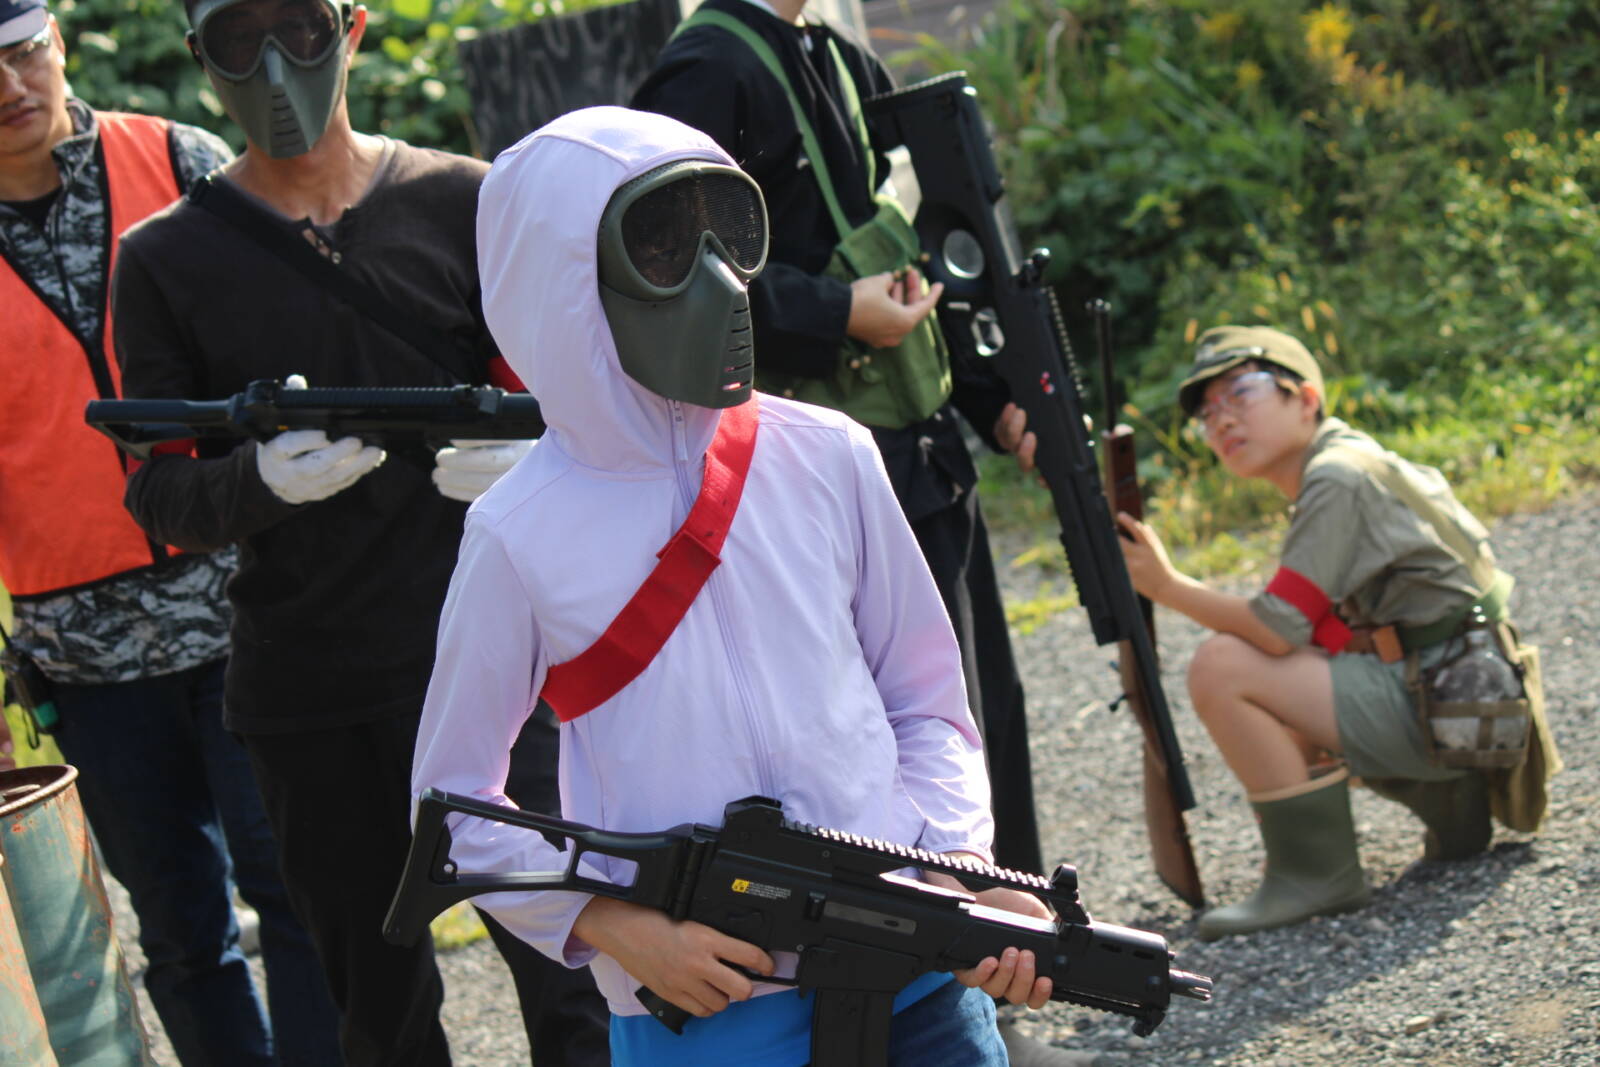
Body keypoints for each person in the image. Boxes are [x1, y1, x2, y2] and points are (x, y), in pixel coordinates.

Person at [412, 104, 1057, 1067]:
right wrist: (611, 923)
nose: (719, 283)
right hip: (705, 1012)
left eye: (728, 238)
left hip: (916, 981)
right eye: (662, 249)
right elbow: (455, 806)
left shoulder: (830, 453)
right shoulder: (516, 533)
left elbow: (926, 700)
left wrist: (957, 866)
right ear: (562, 282)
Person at [107, 0, 609, 1062]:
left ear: (354, 29)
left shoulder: (467, 200)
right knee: (380, 1015)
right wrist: (256, 483)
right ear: (201, 60)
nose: (274, 66)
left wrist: (538, 465)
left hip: (500, 669)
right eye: (239, 39)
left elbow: (581, 401)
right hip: (312, 691)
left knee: (579, 982)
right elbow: (156, 489)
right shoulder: (163, 259)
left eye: (299, 28)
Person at [630, 0, 1046, 885]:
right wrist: (835, 313)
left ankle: (1013, 929)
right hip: (815, 470)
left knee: (974, 707)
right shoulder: (705, 71)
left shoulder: (841, 57)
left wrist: (996, 405)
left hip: (923, 447)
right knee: (891, 726)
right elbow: (666, 271)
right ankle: (945, 948)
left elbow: (921, 257)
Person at [0, 1, 341, 1062]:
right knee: (183, 931)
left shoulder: (181, 159)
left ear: (59, 46)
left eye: (21, 54)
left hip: (246, 608)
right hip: (83, 653)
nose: (8, 88)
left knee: (299, 884)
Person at [1117, 325, 1562, 941]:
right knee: (1277, 658)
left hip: (1450, 706)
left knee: (1224, 666)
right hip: (1469, 703)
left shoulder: (1335, 478)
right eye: (1208, 413)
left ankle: (1315, 874)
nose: (1222, 420)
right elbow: (1315, 626)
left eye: (1240, 393)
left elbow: (1274, 629)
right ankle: (1452, 802)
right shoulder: (1350, 459)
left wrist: (1166, 586)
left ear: (1305, 398)